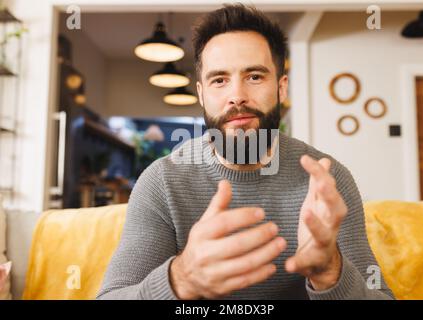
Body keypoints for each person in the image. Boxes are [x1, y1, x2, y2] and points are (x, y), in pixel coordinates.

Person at [97, 3, 393, 300]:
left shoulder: (328, 182)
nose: (236, 96)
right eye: (219, 80)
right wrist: (180, 280)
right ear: (201, 93)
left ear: (281, 88)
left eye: (254, 76)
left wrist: (330, 273)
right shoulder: (161, 182)